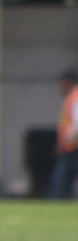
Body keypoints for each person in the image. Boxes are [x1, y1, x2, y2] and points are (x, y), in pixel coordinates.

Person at [49, 69, 78, 199]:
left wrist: (65, 141)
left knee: (59, 183)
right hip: (71, 147)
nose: (60, 87)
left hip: (73, 148)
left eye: (62, 83)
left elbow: (76, 122)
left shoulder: (75, 97)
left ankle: (56, 204)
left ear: (69, 82)